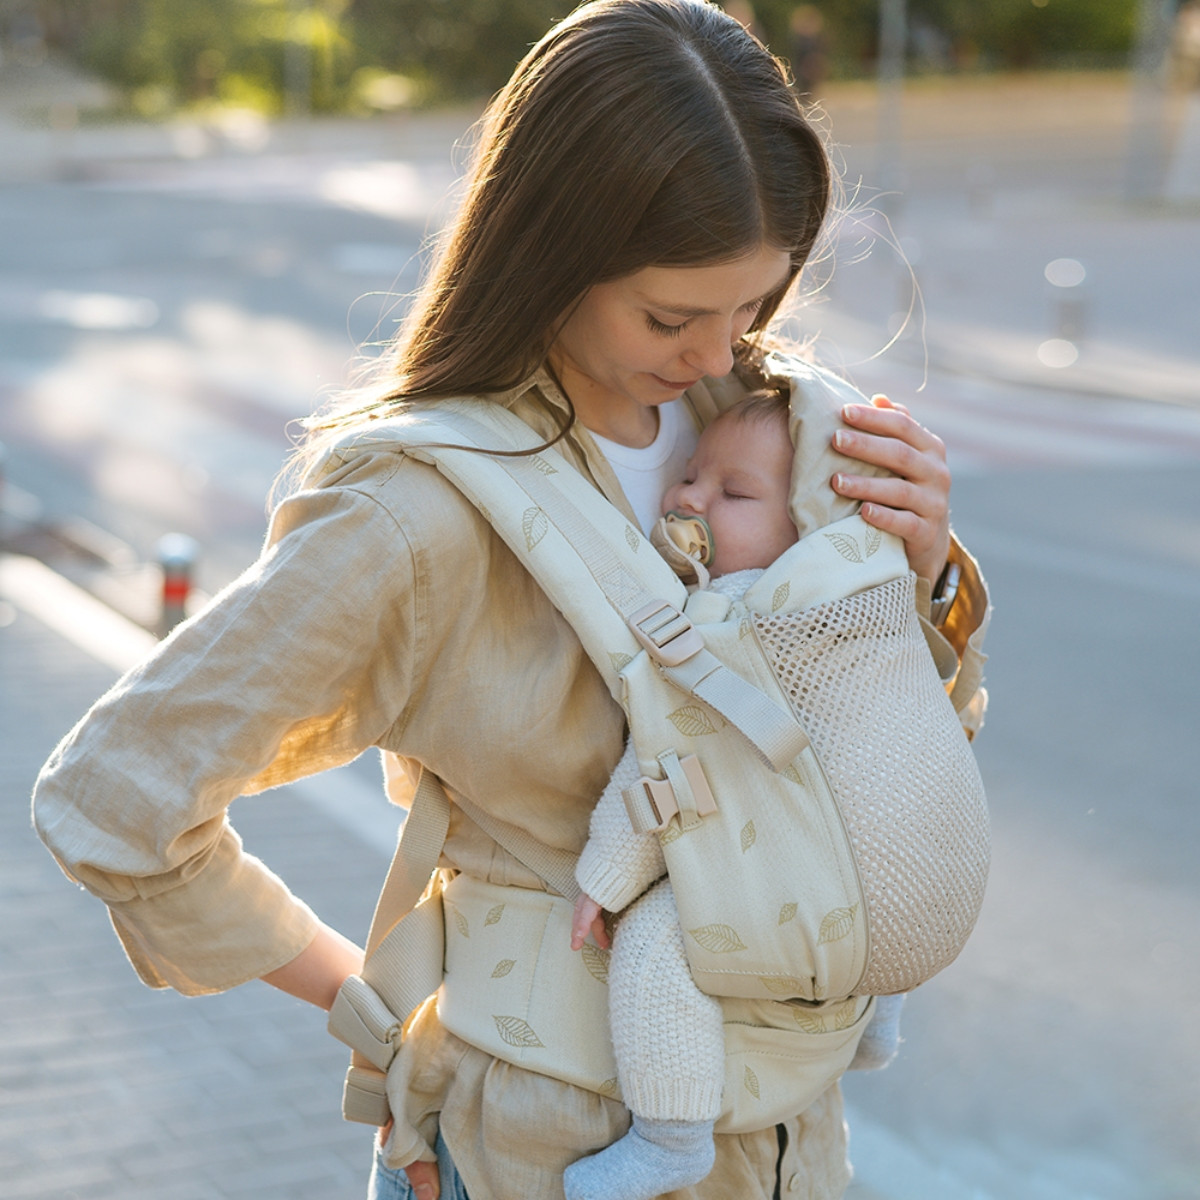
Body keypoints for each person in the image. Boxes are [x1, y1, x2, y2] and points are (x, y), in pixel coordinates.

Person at [32, 3, 989, 1198]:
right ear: (551, 248)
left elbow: (875, 737)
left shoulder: (773, 424)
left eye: (754, 305)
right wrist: (378, 1018)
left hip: (789, 1135)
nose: (719, 351)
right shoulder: (413, 509)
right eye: (669, 315)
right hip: (535, 1148)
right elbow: (114, 797)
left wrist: (927, 571)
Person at [565, 389, 909, 1200]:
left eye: (735, 492)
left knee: (657, 940)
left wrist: (605, 879)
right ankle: (879, 1018)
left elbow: (666, 756)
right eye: (691, 474)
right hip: (854, 872)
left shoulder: (731, 617)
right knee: (889, 855)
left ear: (806, 528)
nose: (690, 498)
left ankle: (671, 1139)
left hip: (786, 869)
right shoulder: (864, 606)